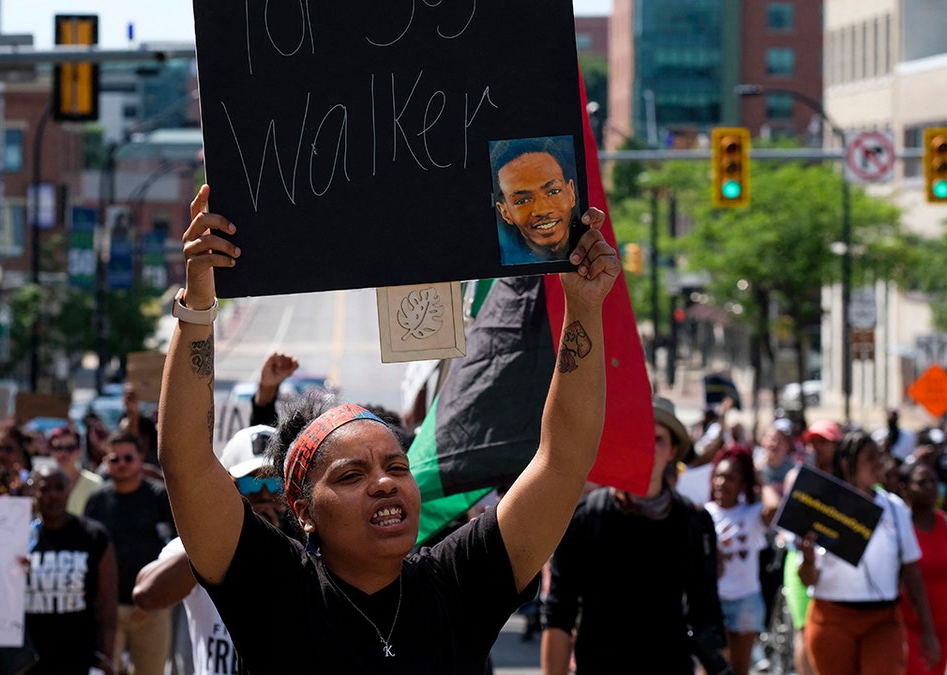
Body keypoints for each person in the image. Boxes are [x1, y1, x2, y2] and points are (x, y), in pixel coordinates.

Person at [159, 184, 616, 672]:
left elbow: (562, 459)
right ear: (302, 510)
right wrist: (197, 308)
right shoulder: (274, 587)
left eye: (396, 467)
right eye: (350, 476)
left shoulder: (459, 581)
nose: (384, 484)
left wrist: (584, 306)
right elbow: (186, 462)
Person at [542, 396, 726, 674]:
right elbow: (558, 615)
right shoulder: (585, 518)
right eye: (637, 435)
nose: (646, 446)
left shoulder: (694, 521)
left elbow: (706, 615)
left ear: (672, 451)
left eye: (657, 439)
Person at [133, 424, 291, 675]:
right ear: (228, 485)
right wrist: (221, 533)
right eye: (251, 483)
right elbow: (146, 596)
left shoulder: (308, 547)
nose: (263, 494)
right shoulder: (200, 544)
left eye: (273, 482)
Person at [796, 431, 940, 675]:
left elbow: (911, 570)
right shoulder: (825, 505)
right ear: (846, 463)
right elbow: (807, 579)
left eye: (880, 457)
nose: (879, 464)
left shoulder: (894, 508)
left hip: (882, 621)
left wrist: (928, 629)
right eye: (870, 457)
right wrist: (808, 560)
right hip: (832, 619)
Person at [83, 429, 174, 674]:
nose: (121, 464)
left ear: (140, 458)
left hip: (153, 608)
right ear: (105, 463)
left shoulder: (160, 497)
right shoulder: (97, 501)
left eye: (128, 458)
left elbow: (177, 549)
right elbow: (87, 553)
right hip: (107, 610)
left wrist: (158, 597)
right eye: (115, 459)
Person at [24, 464, 118, 675]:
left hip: (80, 657)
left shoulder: (93, 536)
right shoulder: (19, 538)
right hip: (30, 660)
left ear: (69, 490)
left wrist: (107, 656)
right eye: (45, 489)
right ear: (34, 492)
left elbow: (107, 604)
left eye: (59, 488)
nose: (53, 496)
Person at [769, 418, 841, 675]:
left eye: (824, 442)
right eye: (813, 441)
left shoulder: (846, 482)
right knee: (804, 630)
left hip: (836, 568)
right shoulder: (796, 476)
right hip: (800, 560)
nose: (817, 447)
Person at [705, 444, 775, 675]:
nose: (721, 483)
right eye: (718, 476)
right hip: (713, 602)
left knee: (740, 669)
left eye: (730, 478)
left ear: (743, 484)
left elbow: (774, 507)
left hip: (746, 602)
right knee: (714, 667)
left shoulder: (752, 514)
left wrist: (760, 479)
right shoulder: (701, 514)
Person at [490, 135, 581, 265]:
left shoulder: (589, 247)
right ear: (505, 212)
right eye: (522, 201)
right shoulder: (504, 273)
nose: (543, 211)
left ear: (571, 192)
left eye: (553, 192)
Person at [897, 460, 947, 675]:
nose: (930, 487)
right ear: (905, 488)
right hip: (909, 627)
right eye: (921, 482)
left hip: (943, 628)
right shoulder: (899, 528)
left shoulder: (945, 524)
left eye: (933, 481)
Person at [48, 427, 104, 516]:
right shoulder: (42, 483)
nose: (64, 453)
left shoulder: (95, 483)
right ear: (50, 451)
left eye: (70, 448)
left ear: (80, 451)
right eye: (58, 448)